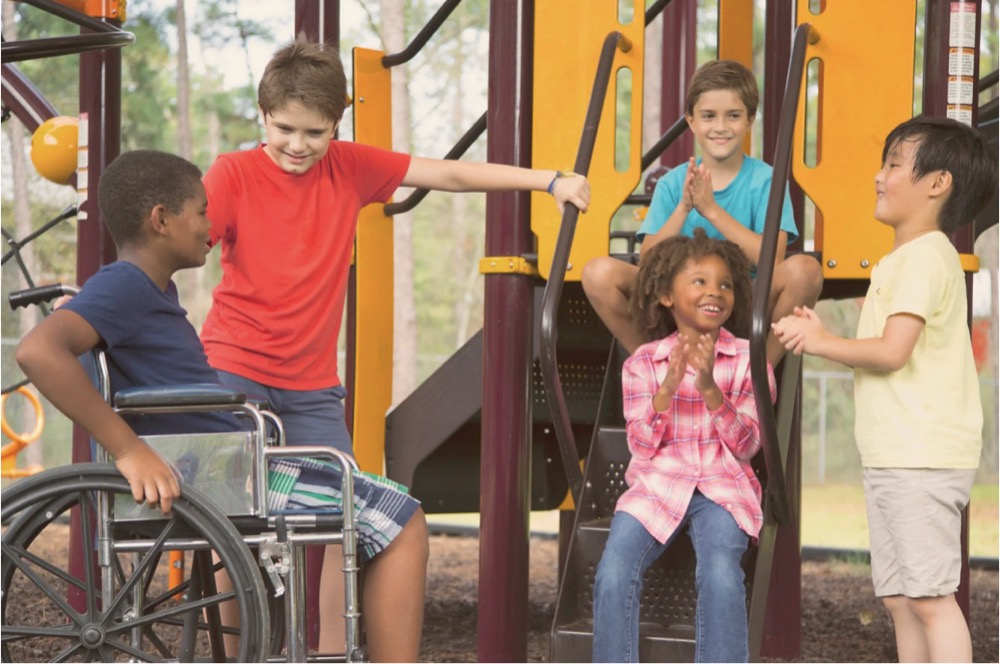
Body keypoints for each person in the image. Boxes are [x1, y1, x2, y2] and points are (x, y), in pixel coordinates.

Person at [199, 35, 590, 656]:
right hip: (233, 368)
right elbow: (181, 241)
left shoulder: (349, 166)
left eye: (315, 132)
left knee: (337, 524)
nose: (299, 145)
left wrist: (549, 181)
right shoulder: (232, 173)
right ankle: (237, 649)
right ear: (262, 115)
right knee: (231, 516)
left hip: (309, 386)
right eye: (285, 129)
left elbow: (451, 172)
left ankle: (329, 651)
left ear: (336, 127)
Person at [15, 150, 428, 663]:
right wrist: (128, 449)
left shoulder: (145, 290)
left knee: (378, 500)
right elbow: (37, 350)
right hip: (218, 474)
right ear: (161, 219)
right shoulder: (125, 285)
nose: (211, 225)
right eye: (202, 211)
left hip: (227, 466)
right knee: (401, 520)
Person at [772, 116, 997, 663]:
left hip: (922, 456)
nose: (880, 175)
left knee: (931, 599)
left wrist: (821, 339)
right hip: (895, 456)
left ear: (937, 184)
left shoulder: (925, 255)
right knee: (900, 598)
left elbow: (894, 350)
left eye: (895, 164)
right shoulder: (905, 258)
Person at [592, 229, 776, 663]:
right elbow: (639, 444)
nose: (715, 291)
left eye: (725, 284)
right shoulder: (644, 364)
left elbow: (748, 446)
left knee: (720, 573)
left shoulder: (753, 362)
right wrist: (667, 389)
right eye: (699, 281)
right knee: (614, 572)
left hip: (723, 490)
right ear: (667, 296)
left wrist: (710, 388)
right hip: (658, 485)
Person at [581, 59, 822, 364]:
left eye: (732, 116)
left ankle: (758, 370)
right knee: (597, 272)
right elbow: (647, 262)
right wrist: (684, 208)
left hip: (744, 297)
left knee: (806, 270)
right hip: (682, 300)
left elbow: (771, 257)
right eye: (709, 116)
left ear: (749, 120)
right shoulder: (673, 184)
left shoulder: (767, 181)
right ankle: (655, 362)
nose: (720, 127)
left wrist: (711, 210)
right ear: (692, 121)